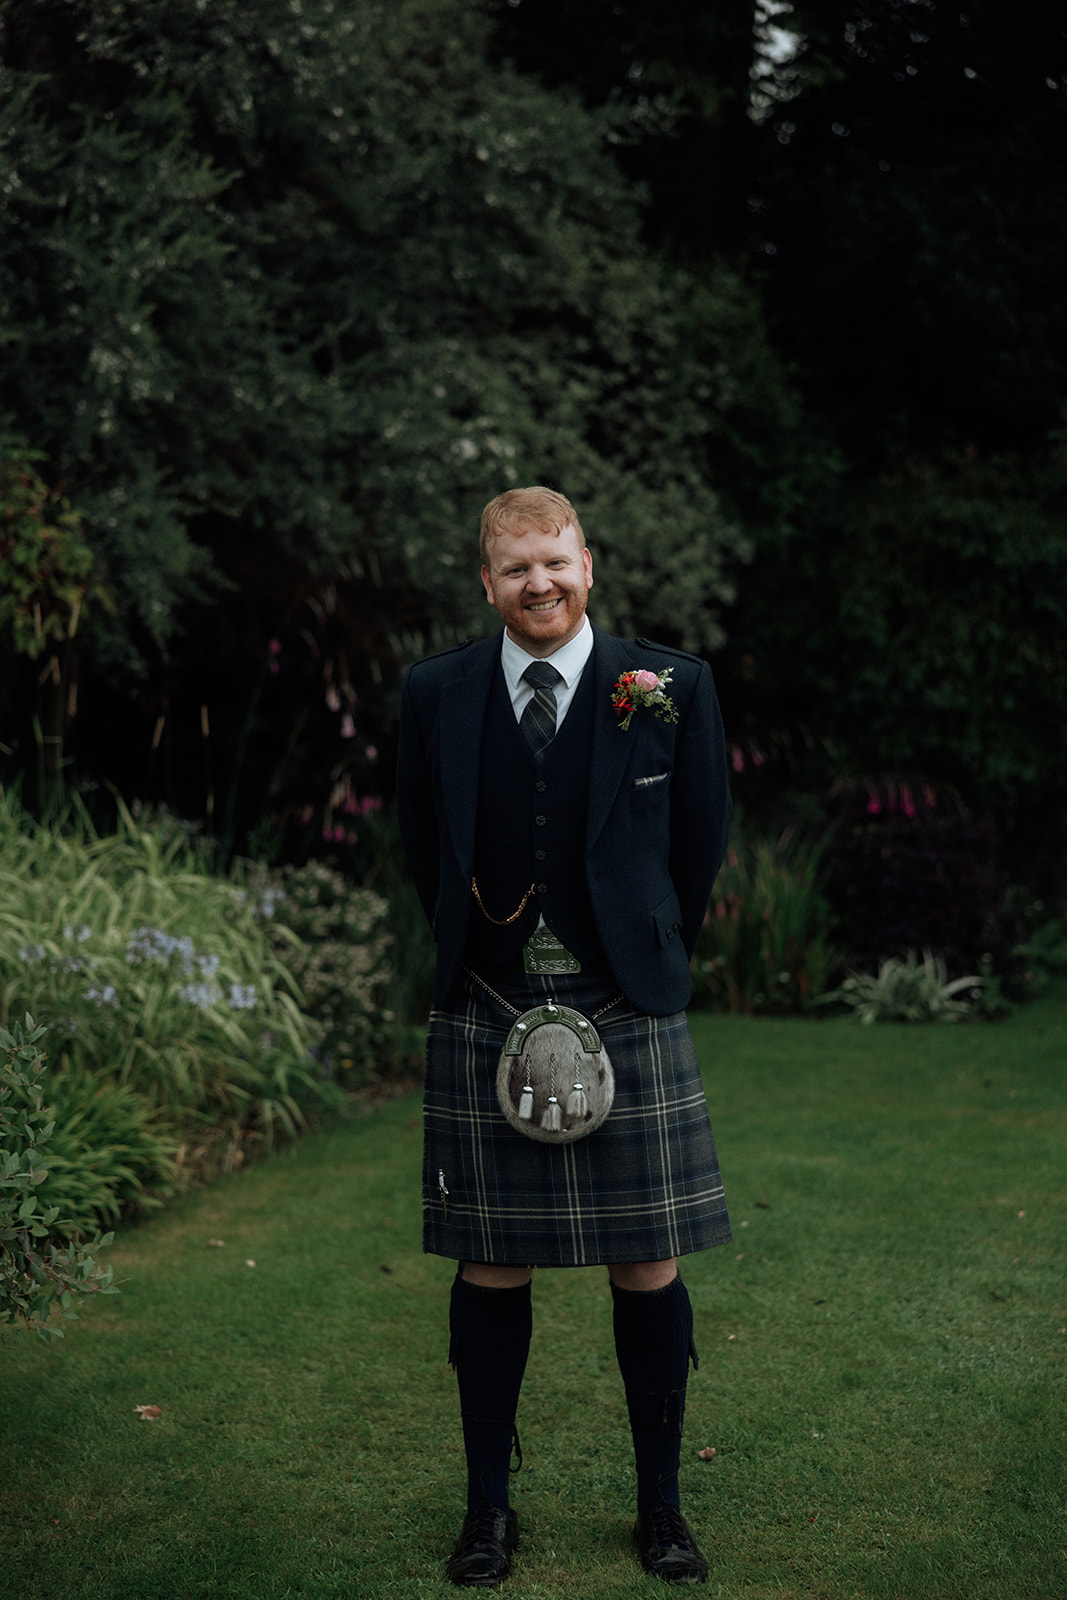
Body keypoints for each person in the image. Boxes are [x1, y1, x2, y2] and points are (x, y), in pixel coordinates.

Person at [396, 486, 732, 1587]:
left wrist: (643, 951)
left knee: (648, 1258)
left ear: (588, 563)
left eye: (554, 561)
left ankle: (662, 1510)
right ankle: (486, 1513)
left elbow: (699, 841)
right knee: (490, 1260)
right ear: (485, 581)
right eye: (515, 567)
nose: (537, 582)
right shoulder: (435, 692)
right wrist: (480, 946)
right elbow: (421, 843)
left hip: (625, 999)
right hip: (487, 994)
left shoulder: (670, 686)